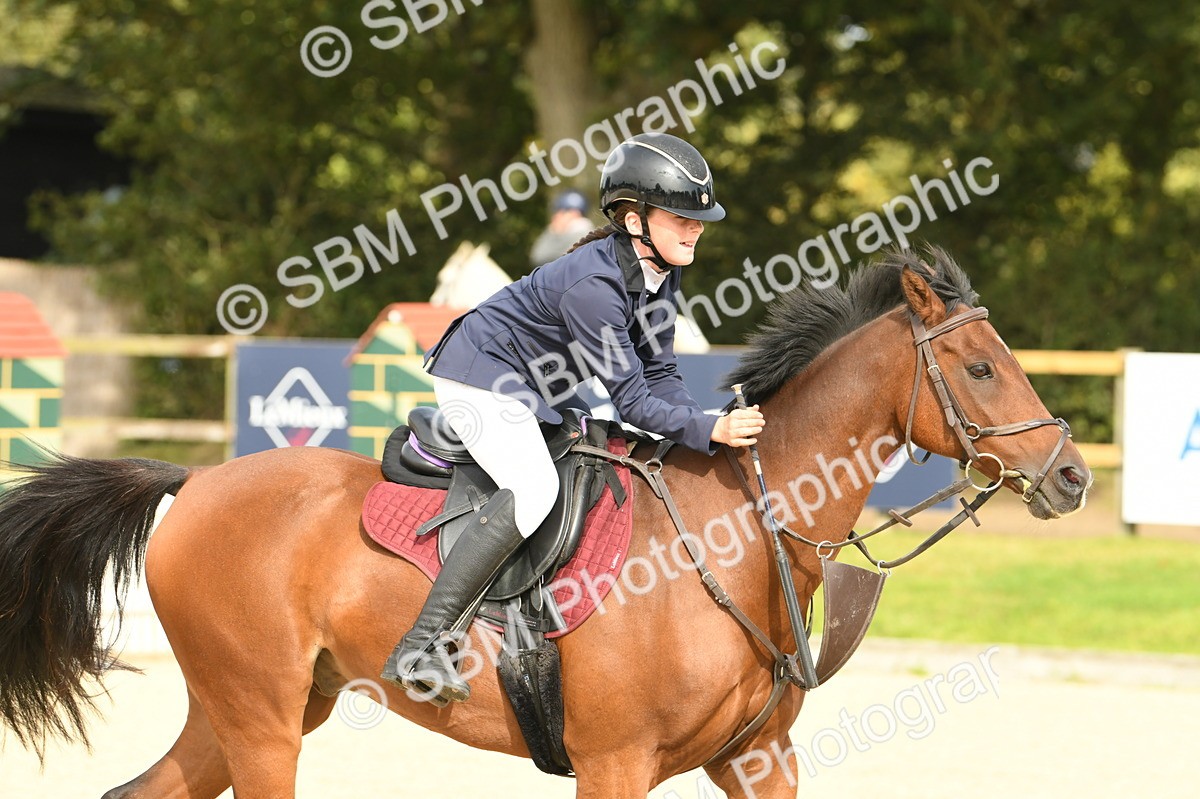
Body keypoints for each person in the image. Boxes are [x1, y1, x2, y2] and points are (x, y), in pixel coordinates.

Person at [381, 132, 767, 703]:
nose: (695, 229)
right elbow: (633, 401)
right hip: (478, 377)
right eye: (681, 217)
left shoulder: (662, 270)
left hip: (535, 391)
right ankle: (424, 643)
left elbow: (661, 373)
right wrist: (710, 428)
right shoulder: (595, 286)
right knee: (535, 490)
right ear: (634, 220)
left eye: (699, 219)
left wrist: (700, 425)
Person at [529, 189, 596, 267]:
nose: (557, 217)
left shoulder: (582, 231)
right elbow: (537, 257)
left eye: (562, 212)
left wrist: (555, 232)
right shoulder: (565, 232)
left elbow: (541, 257)